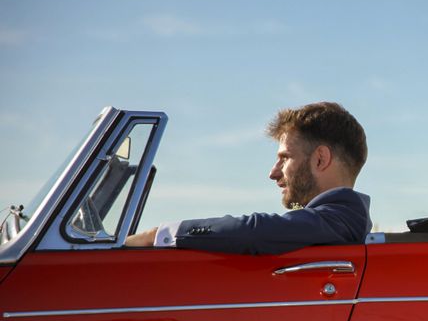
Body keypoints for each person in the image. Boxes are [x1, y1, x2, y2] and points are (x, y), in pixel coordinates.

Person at [126, 101, 372, 254]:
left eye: (285, 158)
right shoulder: (335, 223)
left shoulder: (341, 219)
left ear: (320, 159)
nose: (273, 172)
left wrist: (159, 234)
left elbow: (257, 230)